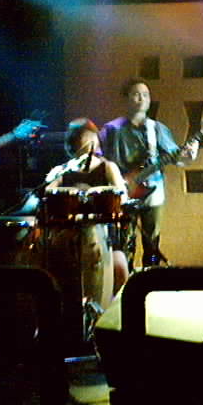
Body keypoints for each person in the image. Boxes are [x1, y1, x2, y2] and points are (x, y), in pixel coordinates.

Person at [99, 78, 198, 268]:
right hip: (122, 192)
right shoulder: (111, 129)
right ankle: (124, 276)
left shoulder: (157, 129)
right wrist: (115, 178)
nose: (141, 99)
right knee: (123, 241)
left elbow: (176, 156)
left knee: (152, 242)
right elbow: (98, 157)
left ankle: (151, 274)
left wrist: (189, 152)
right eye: (136, 94)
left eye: (145, 95)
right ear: (126, 99)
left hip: (153, 192)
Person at [46, 118, 129, 295]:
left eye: (91, 136)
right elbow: (47, 193)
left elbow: (122, 196)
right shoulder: (63, 170)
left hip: (104, 234)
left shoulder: (107, 167)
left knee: (120, 268)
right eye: (81, 137)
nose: (87, 141)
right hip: (68, 234)